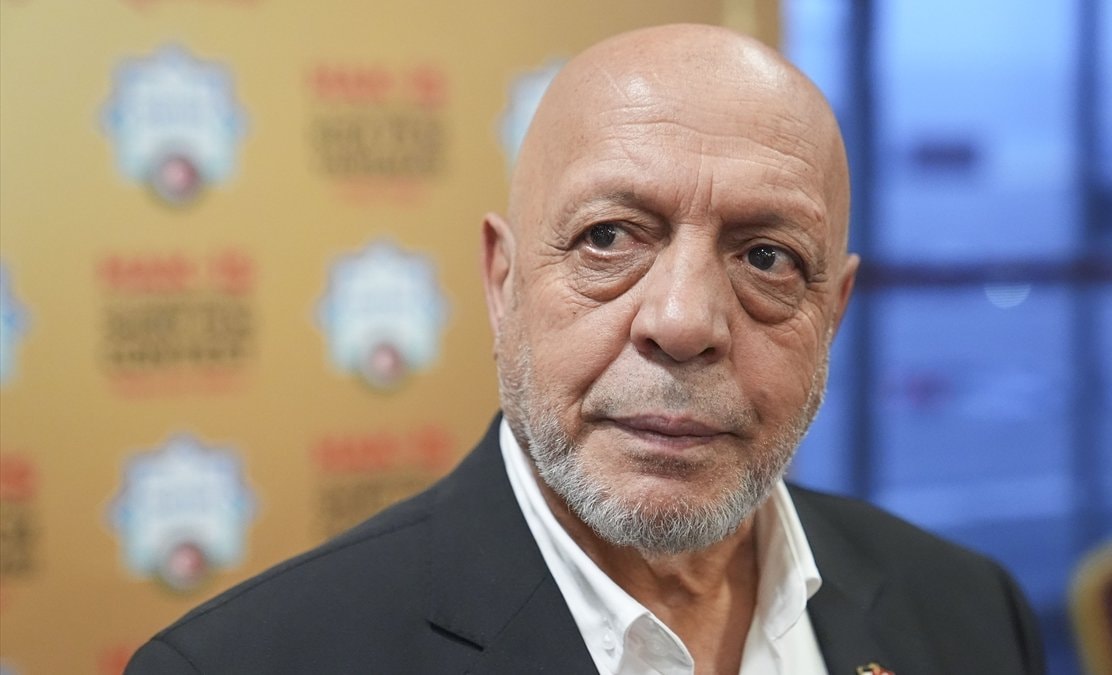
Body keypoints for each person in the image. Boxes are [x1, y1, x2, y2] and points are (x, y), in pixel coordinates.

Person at [126, 24, 1044, 674]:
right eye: (609, 238)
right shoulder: (245, 662)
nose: (682, 322)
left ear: (832, 312)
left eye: (767, 257)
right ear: (503, 282)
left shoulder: (969, 612)